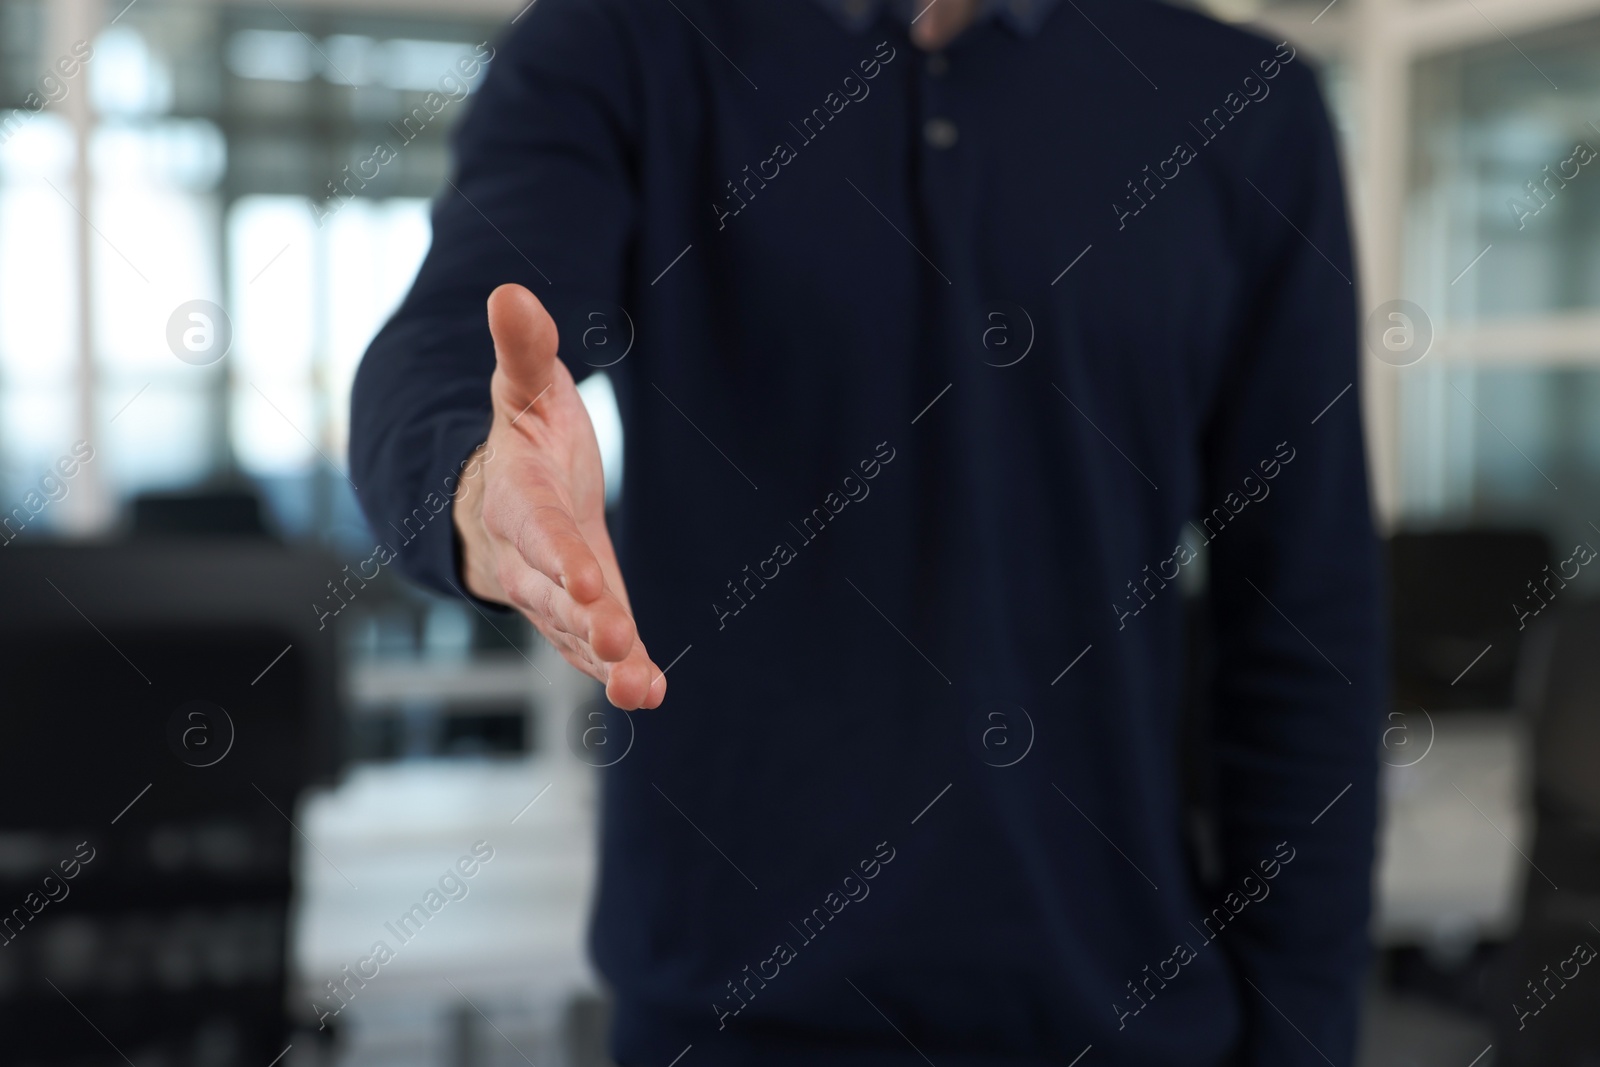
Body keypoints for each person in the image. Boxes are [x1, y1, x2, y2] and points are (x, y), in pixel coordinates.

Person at [350, 0, 1384, 1063]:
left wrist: (1304, 1036)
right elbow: (450, 338)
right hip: (726, 1020)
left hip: (1122, 1016)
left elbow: (1307, 617)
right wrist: (475, 485)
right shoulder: (624, 41)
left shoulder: (1244, 103)